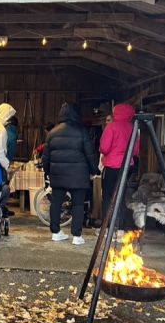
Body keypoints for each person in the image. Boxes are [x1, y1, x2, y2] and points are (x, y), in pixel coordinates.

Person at [42, 102, 99, 246]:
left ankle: (56, 233)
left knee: (56, 203)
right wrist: (93, 171)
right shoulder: (82, 131)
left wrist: (47, 172)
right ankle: (77, 236)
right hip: (78, 176)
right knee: (78, 204)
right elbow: (90, 154)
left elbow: (46, 157)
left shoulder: (53, 133)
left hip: (58, 175)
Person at [100, 104, 139, 231]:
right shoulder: (133, 128)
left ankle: (106, 228)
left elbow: (104, 148)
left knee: (107, 196)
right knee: (121, 196)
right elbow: (135, 151)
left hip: (111, 166)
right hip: (126, 166)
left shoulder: (111, 127)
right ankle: (121, 228)